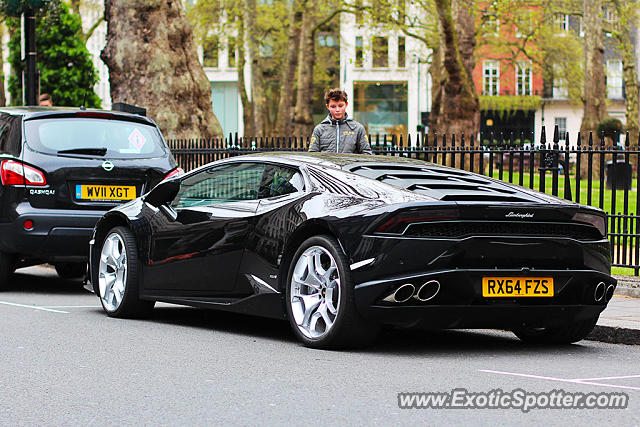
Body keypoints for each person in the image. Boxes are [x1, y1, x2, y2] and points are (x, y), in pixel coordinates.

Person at [309, 88, 372, 154]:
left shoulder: (358, 128)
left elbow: (366, 154)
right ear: (328, 107)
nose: (337, 110)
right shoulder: (319, 129)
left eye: (341, 106)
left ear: (346, 105)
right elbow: (313, 155)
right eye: (333, 106)